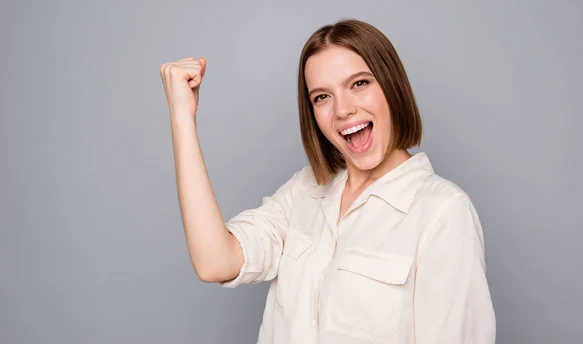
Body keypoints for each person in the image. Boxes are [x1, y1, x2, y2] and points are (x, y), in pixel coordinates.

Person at [160, 19, 496, 344]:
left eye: (359, 84)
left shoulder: (443, 213)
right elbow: (215, 261)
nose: (342, 110)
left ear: (391, 87)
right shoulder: (304, 192)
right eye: (322, 97)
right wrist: (182, 115)